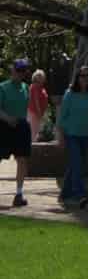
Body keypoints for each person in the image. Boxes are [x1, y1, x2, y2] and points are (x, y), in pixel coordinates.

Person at [58, 68, 88, 209]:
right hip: (71, 135)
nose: (86, 78)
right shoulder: (70, 94)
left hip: (86, 135)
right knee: (77, 164)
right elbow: (62, 117)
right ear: (77, 77)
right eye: (83, 76)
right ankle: (80, 195)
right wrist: (61, 136)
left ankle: (65, 193)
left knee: (75, 164)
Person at [0, 57, 32, 205]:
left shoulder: (26, 88)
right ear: (12, 70)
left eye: (23, 71)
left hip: (21, 127)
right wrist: (7, 118)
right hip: (4, 126)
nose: (20, 73)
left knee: (22, 160)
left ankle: (19, 194)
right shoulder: (3, 87)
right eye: (17, 70)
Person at [26, 64, 49, 146]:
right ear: (35, 77)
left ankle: (33, 150)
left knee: (36, 133)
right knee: (33, 133)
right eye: (38, 76)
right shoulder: (34, 86)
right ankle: (31, 152)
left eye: (41, 76)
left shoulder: (41, 87)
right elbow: (36, 101)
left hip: (39, 113)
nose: (40, 77)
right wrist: (39, 113)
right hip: (34, 113)